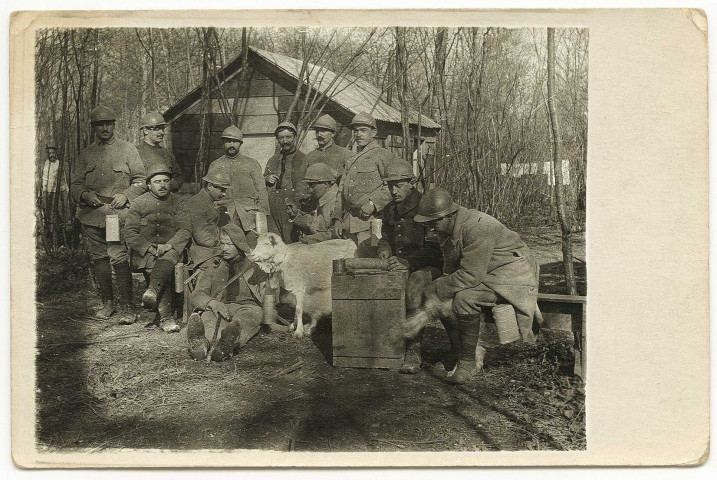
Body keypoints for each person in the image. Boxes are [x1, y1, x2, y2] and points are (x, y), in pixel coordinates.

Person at [413, 188, 543, 384]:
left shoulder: (477, 226)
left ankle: (468, 361)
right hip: (488, 273)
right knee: (447, 293)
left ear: (449, 215)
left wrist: (437, 289)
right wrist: (440, 290)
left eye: (434, 223)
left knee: (465, 298)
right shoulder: (449, 229)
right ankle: (460, 349)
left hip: (513, 275)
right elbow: (452, 267)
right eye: (428, 224)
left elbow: (470, 275)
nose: (431, 229)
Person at [70, 105, 146, 324]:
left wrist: (127, 194)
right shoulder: (86, 153)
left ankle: (128, 308)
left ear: (114, 125)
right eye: (99, 124)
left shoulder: (128, 149)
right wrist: (84, 195)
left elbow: (141, 180)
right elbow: (75, 184)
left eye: (108, 123)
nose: (104, 128)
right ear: (94, 127)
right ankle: (108, 304)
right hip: (91, 215)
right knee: (99, 260)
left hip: (114, 215)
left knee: (118, 258)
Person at [376, 161, 443, 373]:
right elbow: (385, 236)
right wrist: (384, 249)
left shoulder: (425, 205)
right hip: (400, 264)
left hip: (427, 266)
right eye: (389, 185)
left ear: (411, 183)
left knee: (414, 286)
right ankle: (384, 345)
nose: (393, 190)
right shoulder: (389, 209)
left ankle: (414, 348)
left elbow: (435, 250)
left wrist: (409, 262)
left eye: (398, 185)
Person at [186, 224, 268, 362]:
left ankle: (227, 346)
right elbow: (197, 294)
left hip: (247, 308)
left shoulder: (255, 267)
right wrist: (211, 303)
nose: (224, 248)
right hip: (219, 308)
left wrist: (272, 284)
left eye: (229, 244)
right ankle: (201, 345)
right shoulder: (214, 267)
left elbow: (269, 297)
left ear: (239, 245)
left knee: (243, 322)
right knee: (208, 320)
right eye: (222, 244)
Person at [123, 164, 189, 333]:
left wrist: (169, 244)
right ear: (149, 185)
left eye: (166, 181)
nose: (162, 185)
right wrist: (149, 248)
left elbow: (185, 229)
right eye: (157, 181)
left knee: (166, 259)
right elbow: (130, 232)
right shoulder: (138, 203)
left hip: (172, 248)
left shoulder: (178, 201)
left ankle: (153, 292)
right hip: (146, 252)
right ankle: (166, 318)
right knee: (155, 265)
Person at [331, 112, 395, 256]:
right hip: (348, 224)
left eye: (363, 130)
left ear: (374, 132)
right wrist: (337, 218)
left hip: (373, 224)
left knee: (370, 263)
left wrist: (373, 203)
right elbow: (341, 191)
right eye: (355, 130)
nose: (358, 134)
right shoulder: (351, 159)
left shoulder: (382, 155)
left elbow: (393, 186)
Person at [212, 125, 269, 246]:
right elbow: (209, 193)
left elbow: (261, 190)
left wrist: (263, 217)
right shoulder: (215, 165)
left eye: (235, 141)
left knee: (253, 250)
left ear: (240, 143)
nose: (231, 144)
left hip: (249, 217)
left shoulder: (251, 164)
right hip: (225, 216)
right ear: (223, 143)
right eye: (228, 141)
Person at [175, 162, 231, 272]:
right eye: (221, 190)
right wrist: (225, 244)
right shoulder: (197, 204)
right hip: (202, 252)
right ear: (209, 186)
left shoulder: (207, 201)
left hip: (209, 248)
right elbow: (203, 237)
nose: (224, 194)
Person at [264, 121, 308, 244]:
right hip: (273, 205)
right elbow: (263, 179)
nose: (285, 141)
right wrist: (267, 179)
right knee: (274, 241)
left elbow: (306, 185)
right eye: (281, 138)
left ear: (294, 137)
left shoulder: (303, 158)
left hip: (293, 203)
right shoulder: (272, 160)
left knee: (292, 241)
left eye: (288, 137)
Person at [285, 163, 340, 244]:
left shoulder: (336, 202)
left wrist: (309, 239)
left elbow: (336, 233)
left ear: (325, 184)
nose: (310, 190)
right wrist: (297, 214)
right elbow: (317, 224)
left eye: (312, 186)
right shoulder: (325, 199)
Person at [135, 111, 185, 192]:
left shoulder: (167, 153)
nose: (161, 132)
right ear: (145, 130)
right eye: (157, 129)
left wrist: (168, 186)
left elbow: (179, 176)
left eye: (162, 128)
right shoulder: (135, 152)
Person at [305, 114, 352, 178]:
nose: (319, 134)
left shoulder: (345, 154)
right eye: (317, 131)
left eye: (323, 131)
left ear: (333, 133)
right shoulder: (310, 156)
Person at [40, 145, 69, 221]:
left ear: (56, 154)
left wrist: (66, 188)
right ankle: (51, 226)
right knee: (49, 209)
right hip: (49, 190)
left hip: (60, 190)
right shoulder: (46, 164)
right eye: (50, 153)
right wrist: (43, 190)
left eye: (53, 153)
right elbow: (44, 178)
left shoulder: (60, 163)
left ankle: (63, 225)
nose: (51, 155)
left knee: (62, 209)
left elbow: (65, 177)